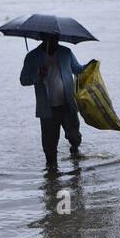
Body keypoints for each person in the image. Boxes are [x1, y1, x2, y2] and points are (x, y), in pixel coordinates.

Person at [19, 32, 86, 166]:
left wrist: (90, 66)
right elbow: (23, 80)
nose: (54, 41)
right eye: (51, 38)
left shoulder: (66, 52)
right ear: (43, 38)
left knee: (75, 137)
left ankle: (75, 154)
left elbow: (77, 69)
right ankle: (51, 174)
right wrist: (38, 74)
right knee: (49, 147)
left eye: (56, 38)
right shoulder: (32, 57)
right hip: (47, 109)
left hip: (68, 104)